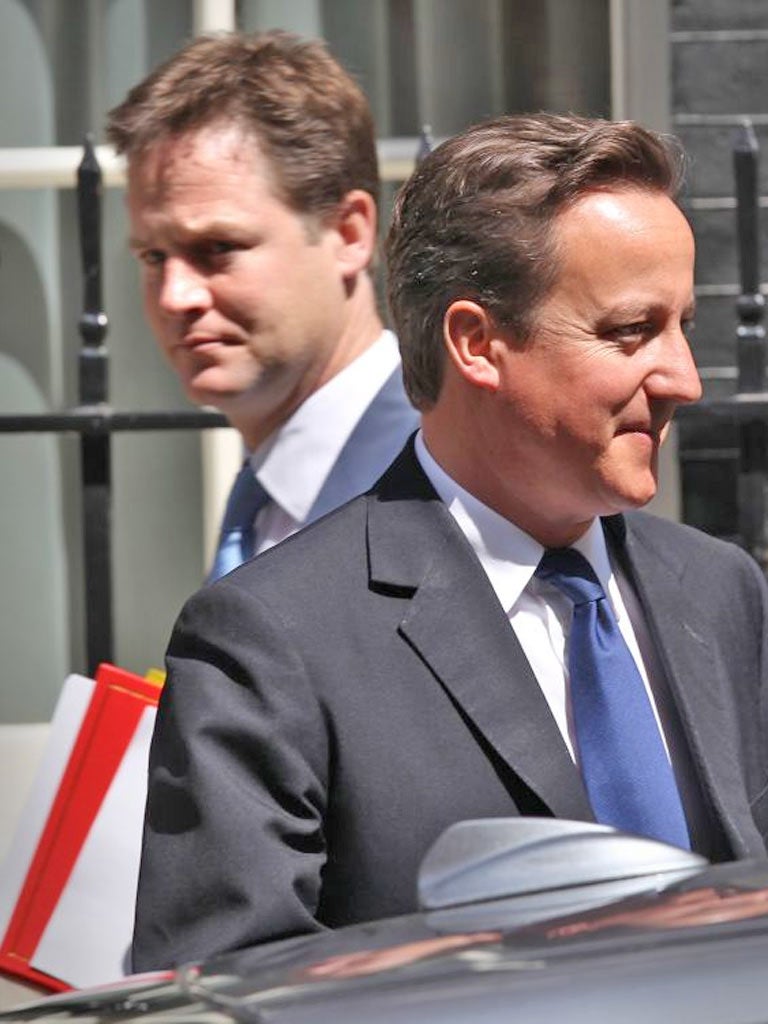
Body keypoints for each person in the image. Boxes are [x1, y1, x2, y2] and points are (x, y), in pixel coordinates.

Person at [132, 112, 768, 972]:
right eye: (630, 331)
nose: (683, 380)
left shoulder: (719, 590)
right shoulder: (272, 642)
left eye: (681, 326)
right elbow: (222, 984)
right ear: (477, 343)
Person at [106, 31, 417, 580]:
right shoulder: (267, 496)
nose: (176, 296)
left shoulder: (449, 484)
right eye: (154, 256)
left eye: (218, 248)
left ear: (349, 234)